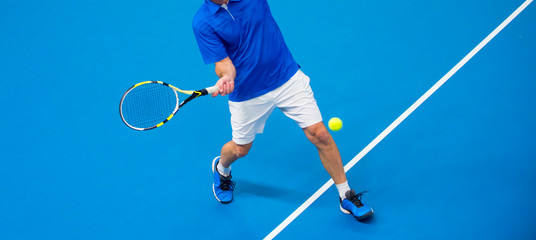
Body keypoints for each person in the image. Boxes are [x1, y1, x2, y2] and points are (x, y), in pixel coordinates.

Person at [192, 0, 373, 220]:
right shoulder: (203, 22)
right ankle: (221, 168)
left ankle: (346, 195)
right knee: (240, 150)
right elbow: (222, 63)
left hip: (285, 75)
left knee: (320, 134)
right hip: (248, 91)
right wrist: (227, 76)